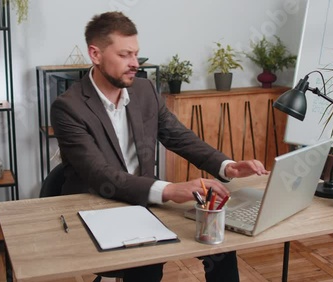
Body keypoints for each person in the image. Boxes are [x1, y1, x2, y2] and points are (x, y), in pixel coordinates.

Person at [50, 11, 269, 282]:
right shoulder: (68, 107)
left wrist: (227, 165)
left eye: (136, 54)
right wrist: (172, 190)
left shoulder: (144, 91)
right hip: (98, 206)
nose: (134, 63)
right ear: (95, 54)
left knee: (220, 244)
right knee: (147, 263)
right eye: (124, 55)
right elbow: (100, 174)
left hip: (144, 201)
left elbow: (179, 136)